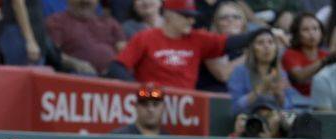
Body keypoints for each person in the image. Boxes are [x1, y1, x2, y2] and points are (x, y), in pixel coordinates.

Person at [108, 0, 286, 89]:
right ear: (169, 15)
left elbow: (231, 42)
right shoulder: (145, 37)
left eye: (192, 16)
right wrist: (138, 89)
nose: (190, 21)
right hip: (153, 102)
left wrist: (264, 32)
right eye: (185, 16)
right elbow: (117, 67)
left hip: (188, 106)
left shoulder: (197, 38)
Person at [46, 0, 126, 75]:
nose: (86, 1)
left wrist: (114, 68)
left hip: (114, 77)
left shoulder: (110, 23)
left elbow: (124, 52)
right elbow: (53, 54)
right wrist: (75, 63)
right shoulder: (57, 21)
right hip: (78, 76)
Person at [228, 28, 297, 115]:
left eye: (271, 42)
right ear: (252, 49)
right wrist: (260, 88)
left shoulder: (282, 73)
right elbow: (235, 108)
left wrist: (279, 94)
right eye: (260, 43)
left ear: (276, 49)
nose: (266, 47)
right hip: (249, 119)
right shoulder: (240, 72)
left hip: (276, 118)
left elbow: (290, 108)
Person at [197, 1, 248, 92]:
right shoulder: (210, 41)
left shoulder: (250, 45)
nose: (231, 20)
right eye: (224, 18)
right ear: (216, 23)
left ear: (243, 22)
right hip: (214, 97)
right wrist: (250, 55)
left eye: (236, 17)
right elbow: (223, 75)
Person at [282, 12, 335, 96]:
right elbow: (300, 77)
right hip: (299, 102)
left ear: (321, 33)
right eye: (305, 30)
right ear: (297, 34)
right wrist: (325, 60)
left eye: (315, 29)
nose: (311, 33)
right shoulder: (290, 54)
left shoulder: (325, 54)